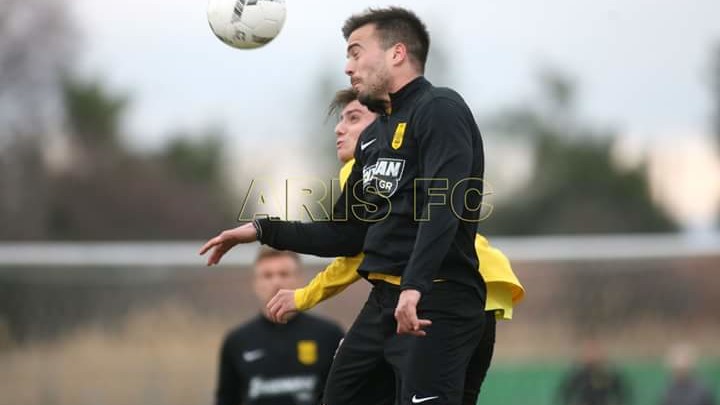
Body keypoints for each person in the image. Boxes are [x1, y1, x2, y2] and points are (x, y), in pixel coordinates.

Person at [202, 7, 492, 404]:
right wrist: (261, 230)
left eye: (356, 52)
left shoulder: (439, 108)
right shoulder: (375, 136)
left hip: (437, 300)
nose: (348, 67)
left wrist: (414, 286)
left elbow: (444, 207)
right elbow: (345, 233)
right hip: (385, 302)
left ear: (397, 53)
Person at [265, 88, 525, 405]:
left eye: (353, 118)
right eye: (340, 120)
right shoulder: (374, 165)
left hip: (446, 288)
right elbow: (360, 244)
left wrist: (304, 295)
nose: (340, 129)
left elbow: (356, 253)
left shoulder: (381, 162)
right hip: (472, 288)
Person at [215, 247, 344, 405]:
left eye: (284, 274)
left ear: (300, 279)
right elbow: (226, 399)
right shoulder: (237, 341)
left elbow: (345, 393)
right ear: (255, 283)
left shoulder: (329, 335)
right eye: (267, 275)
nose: (276, 282)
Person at [557, 340, 630, 405]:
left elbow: (621, 393)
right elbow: (566, 393)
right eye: (589, 353)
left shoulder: (607, 375)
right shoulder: (579, 375)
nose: (592, 356)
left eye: (595, 353)